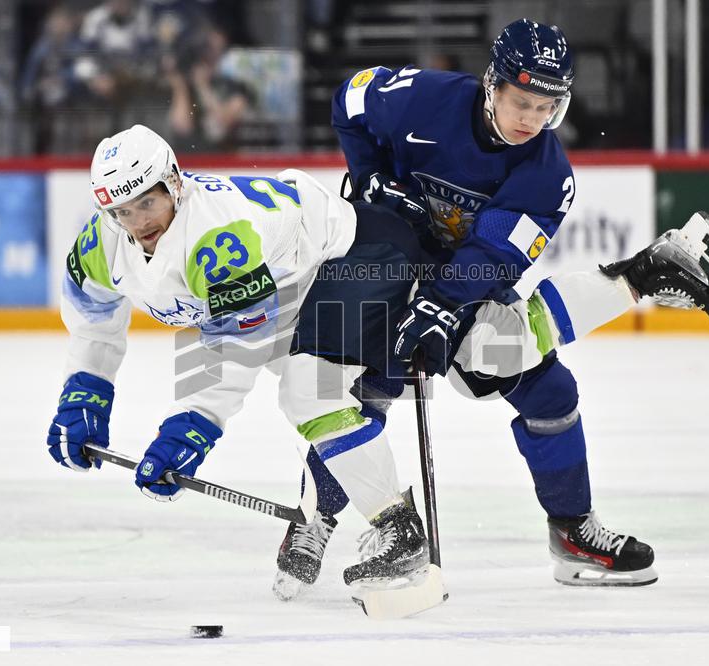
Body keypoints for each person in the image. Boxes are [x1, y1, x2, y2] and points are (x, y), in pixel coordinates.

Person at [272, 19, 709, 597]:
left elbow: (491, 256)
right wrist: (372, 178)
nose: (531, 119)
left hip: (459, 277)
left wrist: (441, 307)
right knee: (368, 387)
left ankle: (573, 533)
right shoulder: (423, 98)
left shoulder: (547, 176)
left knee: (549, 390)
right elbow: (350, 101)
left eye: (546, 107)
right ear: (491, 84)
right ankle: (314, 519)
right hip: (383, 255)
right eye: (521, 102)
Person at [45, 124, 437, 600]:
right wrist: (84, 394)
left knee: (311, 392)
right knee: (332, 405)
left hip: (360, 253)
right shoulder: (99, 245)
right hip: (293, 286)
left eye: (147, 202)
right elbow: (93, 323)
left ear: (173, 182)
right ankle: (321, 513)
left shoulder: (216, 237)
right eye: (122, 211)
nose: (138, 222)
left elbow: (234, 346)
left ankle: (398, 530)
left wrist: (190, 429)